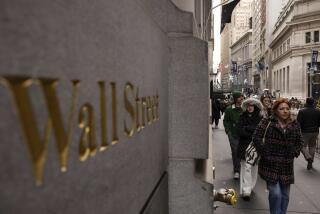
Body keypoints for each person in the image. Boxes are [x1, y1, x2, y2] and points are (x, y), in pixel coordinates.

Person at [252, 98, 303, 214]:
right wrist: (264, 151)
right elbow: (256, 137)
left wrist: (295, 152)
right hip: (270, 164)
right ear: (275, 110)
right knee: (275, 194)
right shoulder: (267, 122)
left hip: (286, 165)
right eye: (282, 109)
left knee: (285, 195)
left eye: (287, 109)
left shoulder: (294, 124)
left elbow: (300, 142)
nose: (285, 111)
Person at [237, 98, 263, 200]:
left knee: (254, 167)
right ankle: (246, 189)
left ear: (255, 107)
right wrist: (251, 130)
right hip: (244, 145)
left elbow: (259, 132)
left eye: (252, 105)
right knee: (245, 167)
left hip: (255, 146)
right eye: (248, 105)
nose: (250, 107)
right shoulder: (241, 117)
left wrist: (247, 128)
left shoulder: (260, 119)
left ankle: (250, 186)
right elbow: (239, 131)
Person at [223, 91, 244, 179]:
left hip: (244, 134)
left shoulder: (245, 108)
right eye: (240, 97)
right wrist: (228, 131)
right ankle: (237, 171)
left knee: (244, 152)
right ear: (235, 99)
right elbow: (226, 121)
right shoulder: (229, 109)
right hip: (233, 134)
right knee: (235, 152)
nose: (242, 98)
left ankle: (244, 169)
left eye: (242, 97)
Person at [297, 97, 320, 170]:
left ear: (306, 102)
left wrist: (298, 131)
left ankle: (308, 157)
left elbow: (298, 122)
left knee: (301, 145)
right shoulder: (318, 111)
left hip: (305, 132)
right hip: (315, 131)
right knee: (312, 146)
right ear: (313, 103)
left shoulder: (302, 111)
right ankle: (310, 162)